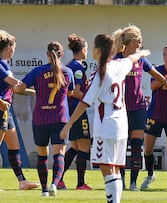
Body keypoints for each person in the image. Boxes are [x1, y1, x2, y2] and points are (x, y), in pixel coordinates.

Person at [59, 34, 151, 203]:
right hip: (121, 125)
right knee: (114, 169)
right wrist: (143, 53)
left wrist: (68, 125)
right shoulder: (119, 65)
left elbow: (85, 102)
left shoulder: (101, 74)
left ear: (98, 51)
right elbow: (133, 57)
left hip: (107, 126)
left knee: (106, 168)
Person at [112, 25, 167, 191]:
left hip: (138, 108)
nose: (141, 44)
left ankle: (133, 184)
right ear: (132, 41)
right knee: (122, 146)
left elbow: (157, 76)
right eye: (139, 41)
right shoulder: (115, 59)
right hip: (120, 109)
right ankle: (121, 182)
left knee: (137, 145)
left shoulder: (141, 60)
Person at [14, 41, 75, 197]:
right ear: (62, 54)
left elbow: (19, 89)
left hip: (41, 118)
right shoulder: (67, 72)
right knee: (59, 154)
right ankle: (55, 184)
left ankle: (44, 190)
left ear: (47, 54)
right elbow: (69, 94)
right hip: (60, 118)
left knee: (42, 155)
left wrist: (32, 91)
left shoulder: (38, 71)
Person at [0, 30, 40, 191]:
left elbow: (15, 88)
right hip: (1, 108)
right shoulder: (1, 64)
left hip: (6, 110)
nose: (14, 50)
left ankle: (22, 181)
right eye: (14, 47)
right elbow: (15, 83)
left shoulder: (5, 64)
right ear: (8, 47)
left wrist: (37, 92)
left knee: (14, 146)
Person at [141, 44, 167, 190]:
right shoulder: (158, 70)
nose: (166, 57)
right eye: (164, 54)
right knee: (148, 148)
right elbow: (153, 86)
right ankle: (151, 175)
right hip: (155, 114)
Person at [58, 33, 92, 190]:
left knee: (76, 147)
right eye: (87, 48)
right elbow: (76, 92)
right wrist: (90, 97)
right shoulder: (77, 67)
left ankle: (59, 179)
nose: (88, 51)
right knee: (85, 146)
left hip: (70, 110)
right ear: (83, 49)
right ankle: (80, 184)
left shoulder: (71, 65)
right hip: (77, 109)